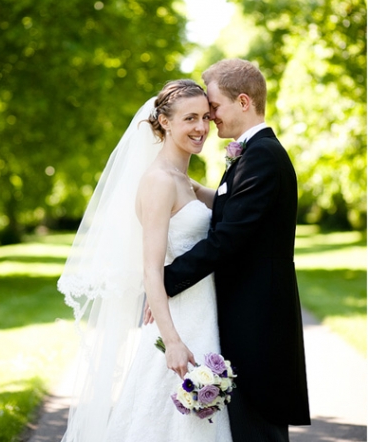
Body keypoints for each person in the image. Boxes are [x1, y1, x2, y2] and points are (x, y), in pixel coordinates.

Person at [58, 79, 232, 441]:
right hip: (181, 324)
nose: (201, 127)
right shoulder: (158, 182)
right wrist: (172, 342)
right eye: (189, 119)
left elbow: (230, 211)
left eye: (204, 117)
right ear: (165, 122)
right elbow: (150, 269)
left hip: (202, 312)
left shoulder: (183, 179)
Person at [161, 59, 310, 441]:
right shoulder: (254, 153)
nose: (209, 119)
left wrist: (163, 281)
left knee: (258, 429)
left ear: (243, 102)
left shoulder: (261, 155)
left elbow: (227, 238)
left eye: (214, 108)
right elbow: (233, 207)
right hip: (247, 314)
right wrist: (187, 186)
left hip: (258, 321)